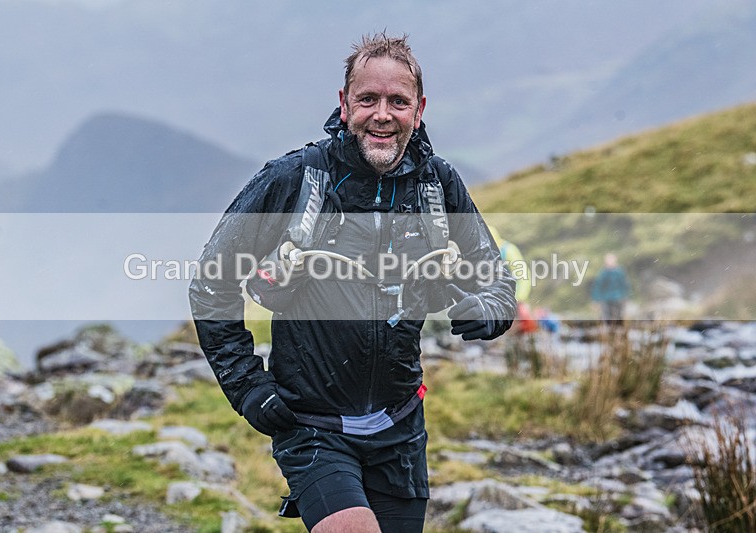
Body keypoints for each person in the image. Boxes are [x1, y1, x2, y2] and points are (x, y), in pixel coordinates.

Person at [189, 33, 517, 533]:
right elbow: (212, 282)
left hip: (400, 427)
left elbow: (496, 275)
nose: (382, 114)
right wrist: (248, 387)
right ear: (344, 104)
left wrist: (489, 309)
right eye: (368, 99)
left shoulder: (437, 185)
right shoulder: (295, 179)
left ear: (419, 109)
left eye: (397, 102)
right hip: (312, 425)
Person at [591, 253, 631, 324]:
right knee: (607, 317)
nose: (610, 262)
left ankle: (618, 331)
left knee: (619, 316)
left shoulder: (619, 272)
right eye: (608, 260)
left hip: (618, 298)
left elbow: (625, 285)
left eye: (611, 260)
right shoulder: (603, 273)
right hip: (606, 299)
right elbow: (598, 286)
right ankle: (609, 329)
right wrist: (595, 299)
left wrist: (627, 296)